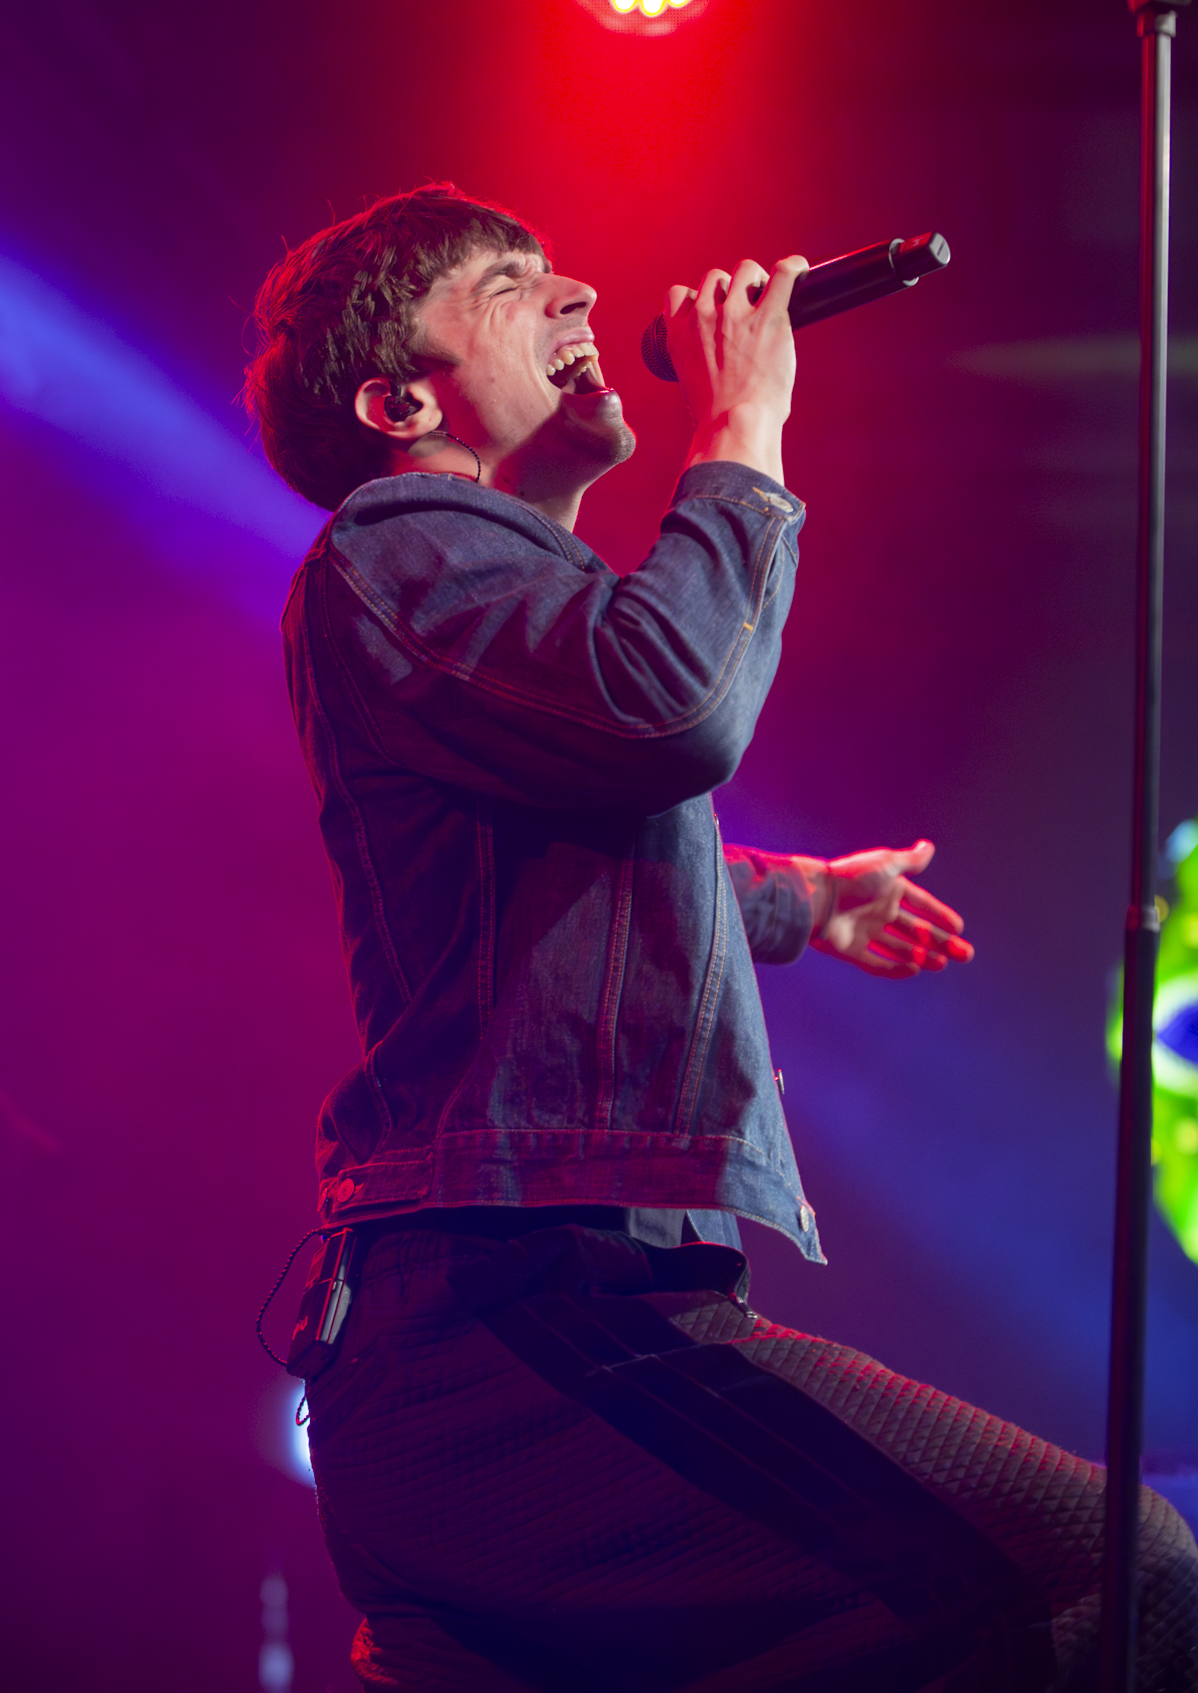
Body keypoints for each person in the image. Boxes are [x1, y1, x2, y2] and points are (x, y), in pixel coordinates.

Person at [245, 185, 1196, 1692]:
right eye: (509, 284)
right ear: (399, 402)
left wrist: (799, 899)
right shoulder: (396, 541)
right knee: (1115, 1575)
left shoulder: (483, 600)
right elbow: (667, 710)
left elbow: (565, 865)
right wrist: (741, 428)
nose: (576, 294)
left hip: (490, 1327)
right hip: (527, 1310)